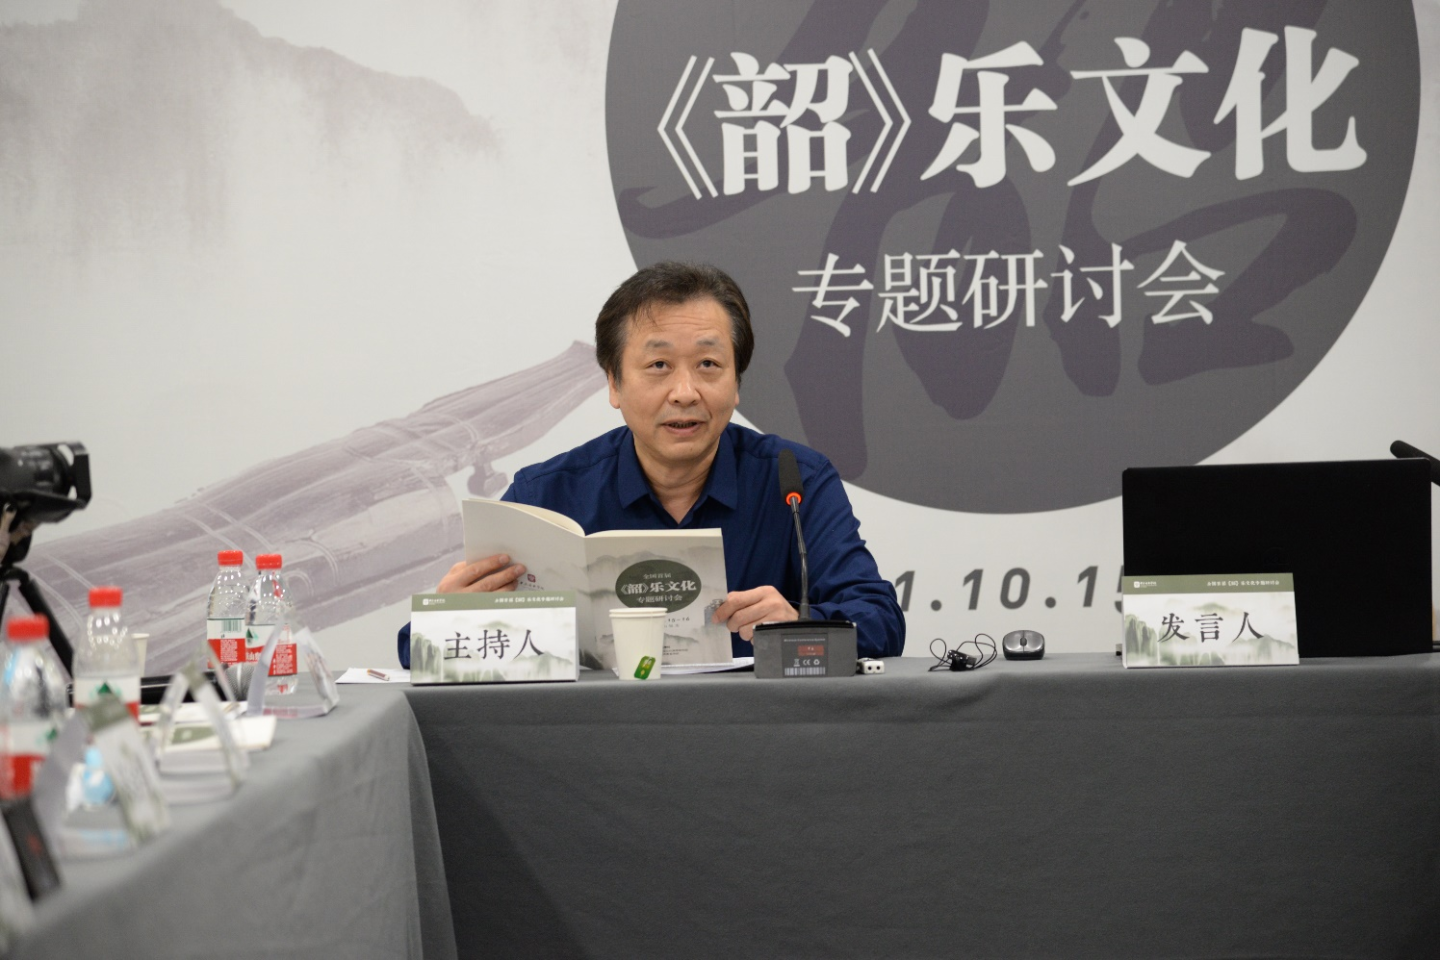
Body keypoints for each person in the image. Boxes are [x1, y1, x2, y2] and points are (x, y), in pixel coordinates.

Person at [398, 261, 904, 666]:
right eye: (658, 365)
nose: (684, 392)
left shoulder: (794, 481)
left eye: (708, 365)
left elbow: (881, 622)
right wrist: (448, 619)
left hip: (758, 740)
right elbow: (415, 649)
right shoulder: (545, 495)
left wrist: (798, 623)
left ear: (736, 383)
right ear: (614, 384)